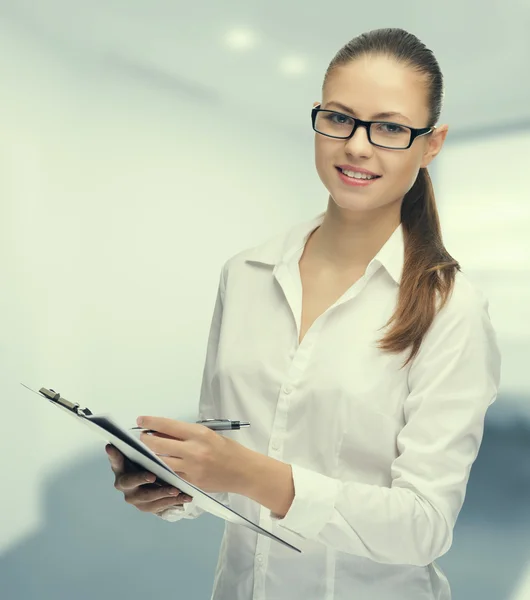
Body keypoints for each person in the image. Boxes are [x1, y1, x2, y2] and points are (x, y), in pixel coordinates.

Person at [106, 27, 501, 600]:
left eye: (389, 128)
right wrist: (173, 486)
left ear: (431, 143)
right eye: (339, 118)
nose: (357, 146)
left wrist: (247, 473)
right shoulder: (244, 274)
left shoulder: (452, 309)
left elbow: (424, 526)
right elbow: (228, 448)